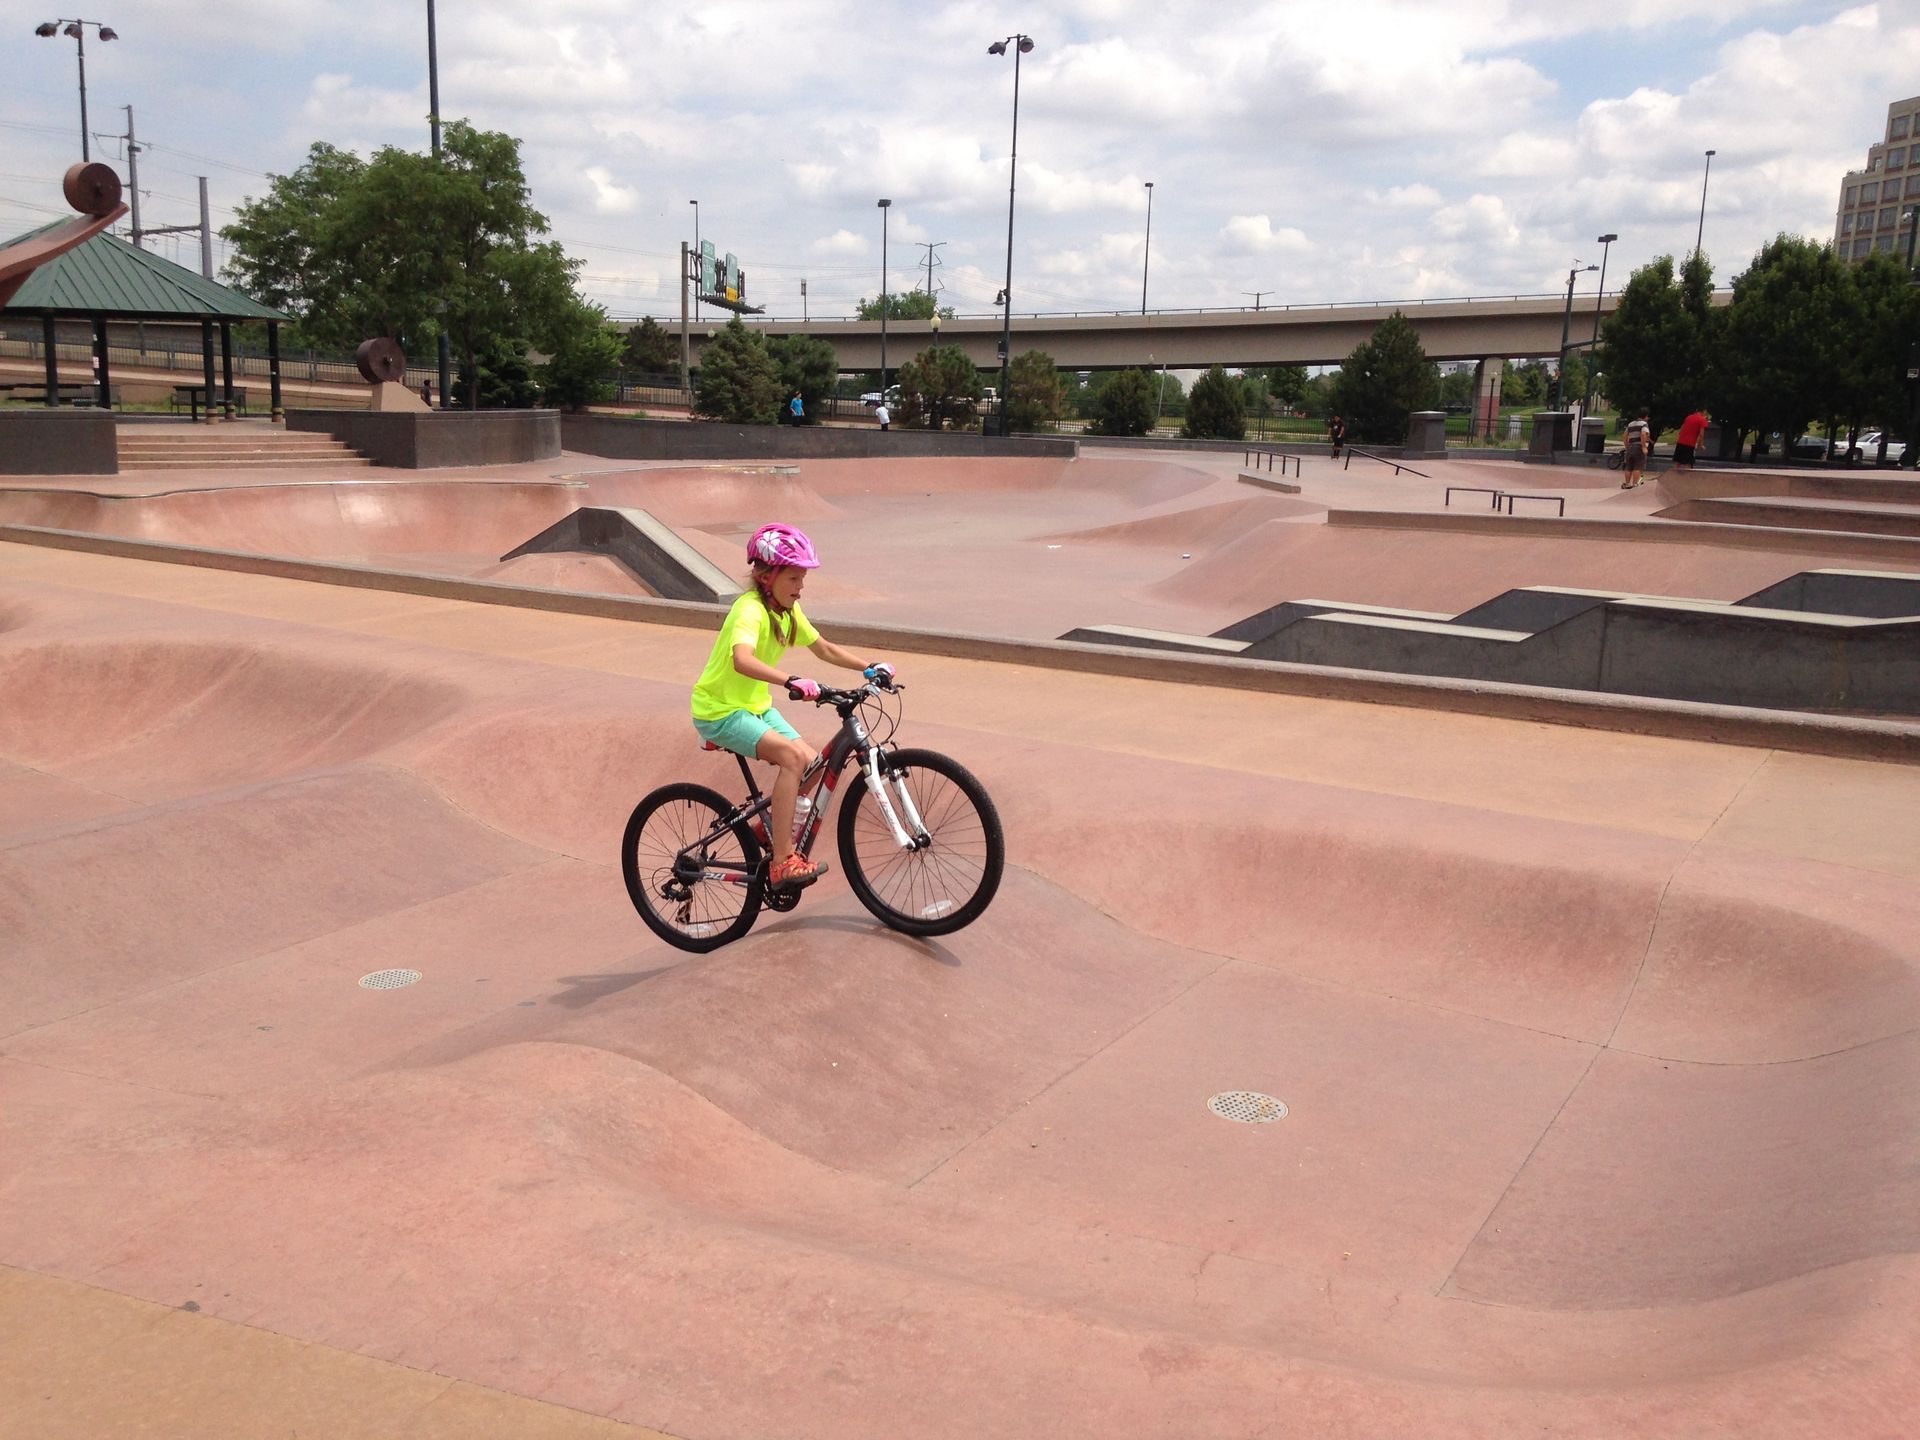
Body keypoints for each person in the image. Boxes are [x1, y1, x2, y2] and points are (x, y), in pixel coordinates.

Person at [690, 523, 893, 891]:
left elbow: (825, 648)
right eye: (794, 579)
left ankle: (765, 830)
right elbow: (742, 660)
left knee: (810, 761)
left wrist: (868, 667)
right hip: (718, 710)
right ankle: (782, 862)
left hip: (752, 705)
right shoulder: (748, 610)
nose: (801, 587)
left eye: (803, 579)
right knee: (792, 759)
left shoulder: (786, 612)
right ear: (766, 576)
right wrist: (790, 680)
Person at [1622, 408, 1652, 488]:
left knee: (1629, 466)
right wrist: (1644, 447)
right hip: (1639, 447)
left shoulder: (1630, 424)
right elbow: (1643, 434)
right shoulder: (1644, 424)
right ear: (1645, 416)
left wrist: (1627, 446)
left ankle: (1627, 483)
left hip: (1631, 446)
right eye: (1647, 417)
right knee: (1638, 466)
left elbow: (1625, 436)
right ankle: (1635, 484)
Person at [1674, 408, 1709, 472]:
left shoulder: (1688, 417)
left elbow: (1682, 429)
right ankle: (1688, 477)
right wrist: (1701, 445)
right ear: (1704, 412)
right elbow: (1701, 434)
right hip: (1690, 444)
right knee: (1689, 462)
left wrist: (1678, 439)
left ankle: (1674, 475)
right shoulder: (1702, 420)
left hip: (1681, 442)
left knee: (1678, 461)